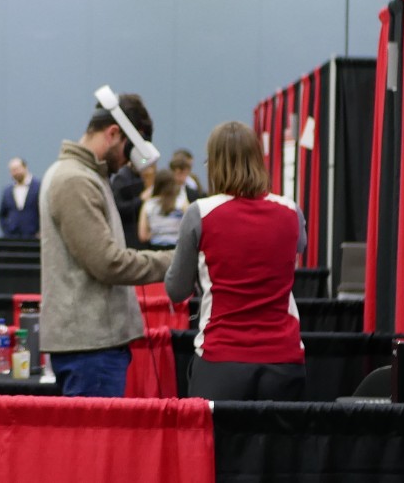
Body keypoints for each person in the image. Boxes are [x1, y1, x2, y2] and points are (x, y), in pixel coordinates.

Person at [39, 92, 172, 397]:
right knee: (95, 430)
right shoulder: (75, 180)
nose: (127, 163)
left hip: (93, 345)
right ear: (113, 134)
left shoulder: (86, 176)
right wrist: (176, 260)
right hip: (91, 347)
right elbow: (108, 263)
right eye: (128, 151)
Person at [164, 121, 307, 401]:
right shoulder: (291, 210)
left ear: (214, 165)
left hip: (221, 361)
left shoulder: (200, 213)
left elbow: (176, 290)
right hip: (283, 360)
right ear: (258, 160)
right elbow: (299, 247)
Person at [138, 170, 186, 250]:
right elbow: (190, 228)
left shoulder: (148, 205)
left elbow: (143, 236)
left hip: (156, 251)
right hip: (177, 250)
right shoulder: (181, 203)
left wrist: (157, 233)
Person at [0, 157, 41, 239]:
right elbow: (2, 215)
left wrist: (40, 232)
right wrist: (6, 232)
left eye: (17, 169)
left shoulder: (38, 187)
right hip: (12, 238)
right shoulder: (7, 191)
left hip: (33, 238)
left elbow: (44, 212)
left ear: (25, 168)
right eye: (12, 170)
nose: (15, 173)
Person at [110, 160, 145, 249]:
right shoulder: (121, 178)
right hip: (129, 232)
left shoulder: (143, 176)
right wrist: (141, 200)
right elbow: (119, 207)